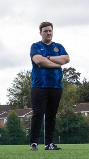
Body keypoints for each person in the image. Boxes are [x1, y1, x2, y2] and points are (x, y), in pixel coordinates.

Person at [29, 21, 69, 151]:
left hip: (56, 86)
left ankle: (49, 143)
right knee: (38, 114)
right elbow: (39, 61)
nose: (48, 33)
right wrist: (57, 63)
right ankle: (34, 143)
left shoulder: (58, 46)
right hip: (39, 85)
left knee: (51, 115)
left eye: (50, 31)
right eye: (45, 31)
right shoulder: (35, 46)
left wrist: (48, 58)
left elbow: (66, 59)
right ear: (40, 32)